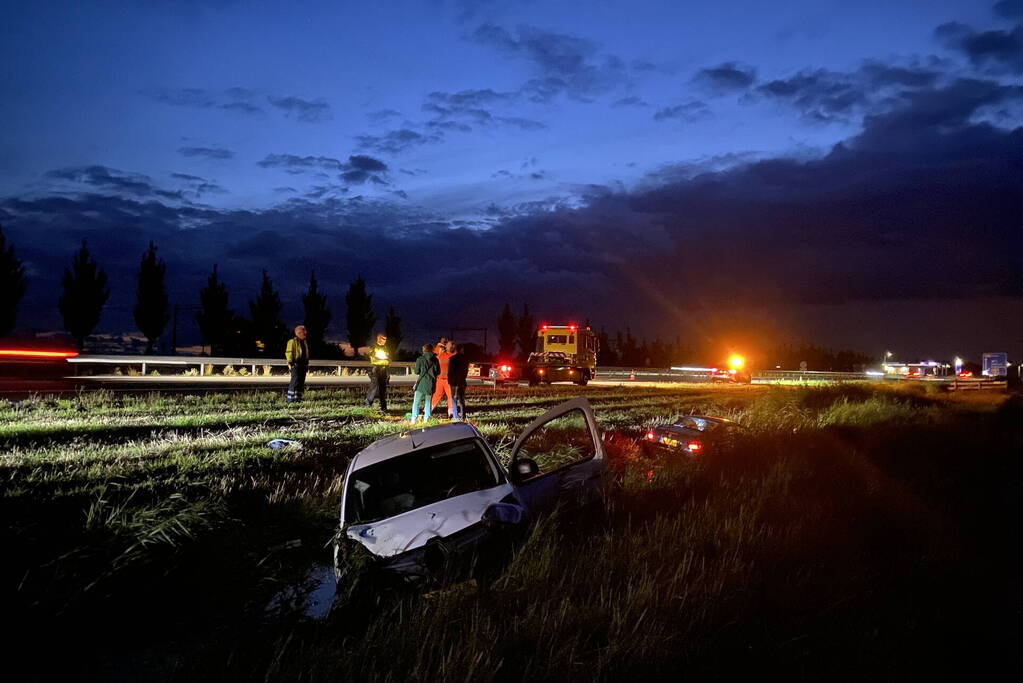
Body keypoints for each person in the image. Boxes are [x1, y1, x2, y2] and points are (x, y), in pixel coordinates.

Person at [410, 343, 440, 424]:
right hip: (431, 383)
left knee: (416, 402)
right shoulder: (436, 360)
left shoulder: (420, 359)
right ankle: (427, 419)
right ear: (432, 350)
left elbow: (416, 372)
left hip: (421, 383)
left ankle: (414, 419)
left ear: (424, 350)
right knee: (428, 402)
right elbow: (438, 372)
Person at [361, 333, 390, 411]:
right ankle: (368, 405)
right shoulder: (373, 347)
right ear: (378, 339)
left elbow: (389, 358)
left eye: (385, 339)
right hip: (376, 369)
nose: (384, 341)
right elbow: (373, 358)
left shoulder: (385, 347)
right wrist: (383, 359)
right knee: (373, 387)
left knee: (382, 388)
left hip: (384, 369)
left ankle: (383, 407)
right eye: (383, 339)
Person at [431, 340, 457, 419]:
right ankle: (428, 410)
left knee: (449, 397)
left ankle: (451, 413)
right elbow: (434, 354)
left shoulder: (449, 356)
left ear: (450, 347)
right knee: (439, 396)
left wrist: (439, 346)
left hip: (447, 381)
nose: (446, 345)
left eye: (447, 344)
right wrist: (439, 345)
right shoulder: (445, 355)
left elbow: (434, 355)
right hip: (442, 380)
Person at [285, 325, 310, 404]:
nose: (306, 333)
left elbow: (306, 354)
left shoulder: (304, 342)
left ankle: (298, 399)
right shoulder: (292, 341)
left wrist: (306, 364)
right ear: (299, 333)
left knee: (301, 382)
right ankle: (290, 400)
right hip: (295, 364)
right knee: (295, 382)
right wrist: (291, 363)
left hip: (302, 365)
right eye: (304, 331)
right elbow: (289, 353)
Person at [448, 343, 469, 420]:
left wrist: (449, 380)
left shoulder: (452, 358)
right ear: (461, 349)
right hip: (461, 382)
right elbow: (465, 371)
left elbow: (450, 371)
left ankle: (455, 415)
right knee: (461, 399)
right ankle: (463, 416)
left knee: (453, 399)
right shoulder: (465, 359)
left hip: (453, 381)